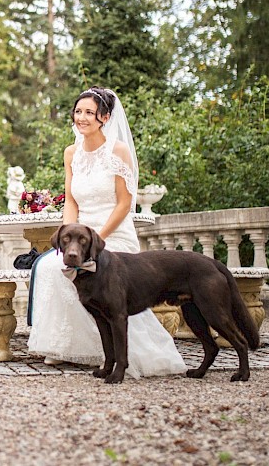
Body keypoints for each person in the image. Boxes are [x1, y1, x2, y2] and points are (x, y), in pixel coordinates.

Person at [28, 87, 188, 378]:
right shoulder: (71, 153)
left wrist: (95, 240)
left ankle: (120, 355)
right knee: (52, 267)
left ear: (104, 117)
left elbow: (125, 203)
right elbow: (71, 200)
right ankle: (68, 348)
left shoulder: (118, 150)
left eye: (89, 112)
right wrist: (67, 237)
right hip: (80, 235)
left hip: (111, 233)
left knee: (103, 278)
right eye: (78, 111)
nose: (82, 117)